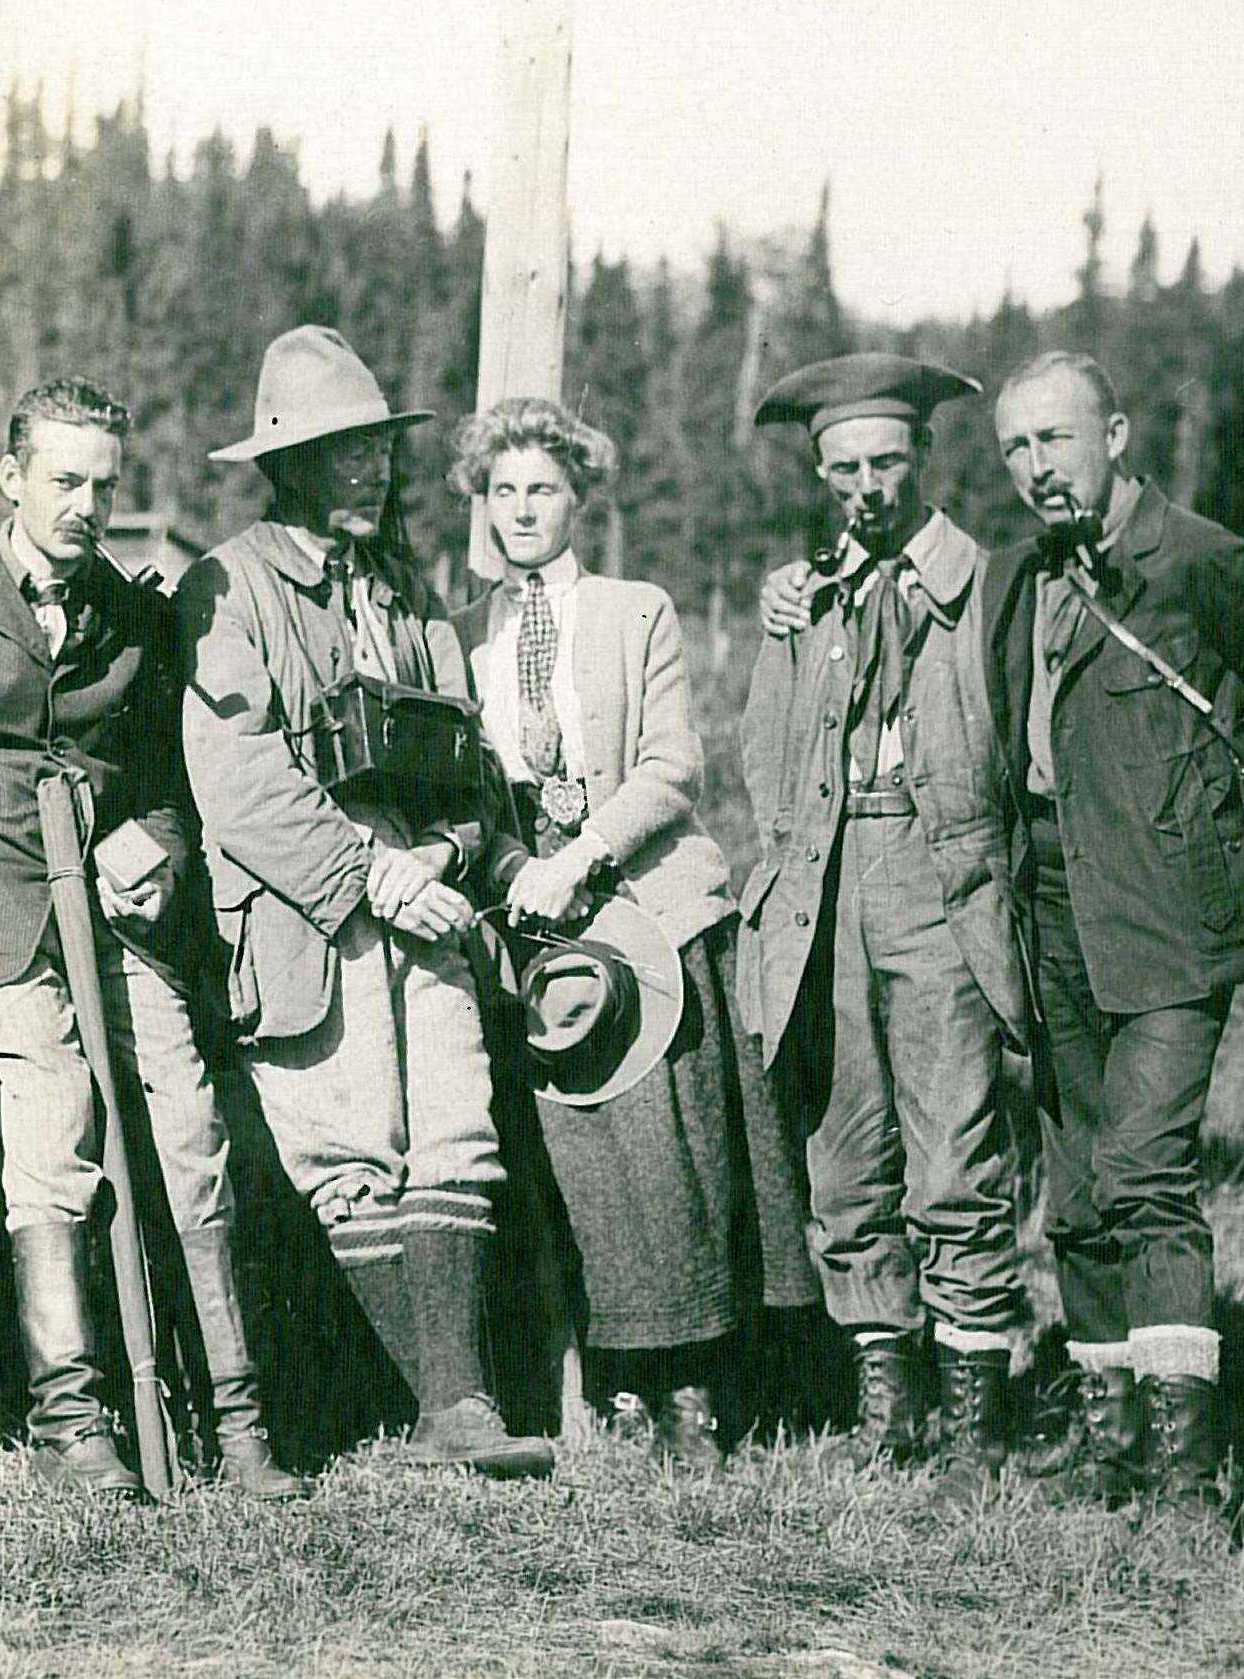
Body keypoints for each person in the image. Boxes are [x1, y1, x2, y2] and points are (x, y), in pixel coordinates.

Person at [0, 378, 300, 1500]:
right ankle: (72, 1422)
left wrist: (157, 845)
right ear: (10, 480)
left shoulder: (132, 618)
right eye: (64, 480)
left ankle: (235, 1422)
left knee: (188, 1127)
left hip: (117, 916)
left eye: (103, 484)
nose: (85, 504)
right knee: (54, 1127)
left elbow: (169, 788)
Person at [976, 351, 1244, 1505]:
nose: (1034, 466)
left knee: (1143, 1171)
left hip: (1167, 914)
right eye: (1013, 447)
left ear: (1111, 435)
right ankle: (1107, 1441)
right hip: (1048, 907)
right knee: (1073, 1184)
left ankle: (1186, 1471)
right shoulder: (1020, 577)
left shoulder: (1196, 560)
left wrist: (1233, 811)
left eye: (1053, 439)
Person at [179, 326, 551, 1479]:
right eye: (342, 453)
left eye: (377, 450)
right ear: (283, 465)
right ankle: (403, 1409)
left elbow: (469, 758)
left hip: (422, 903)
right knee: (344, 1151)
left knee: (453, 1129)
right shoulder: (226, 586)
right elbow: (233, 774)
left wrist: (440, 850)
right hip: (304, 911)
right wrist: (366, 873)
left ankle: (457, 1410)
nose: (369, 472)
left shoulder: (407, 590)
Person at [452, 396, 820, 1470]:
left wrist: (584, 857)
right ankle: (613, 1383)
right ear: (482, 501)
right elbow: (467, 789)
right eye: (503, 490)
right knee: (580, 1163)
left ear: (579, 499)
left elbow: (672, 765)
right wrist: (522, 871)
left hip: (642, 894)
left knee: (675, 1152)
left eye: (544, 490)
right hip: (532, 923)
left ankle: (698, 1385)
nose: (523, 510)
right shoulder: (455, 629)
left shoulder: (632, 610)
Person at [738, 355, 1032, 1484]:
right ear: (819, 476)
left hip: (933, 880)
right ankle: (887, 1407)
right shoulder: (801, 595)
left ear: (922, 462)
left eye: (884, 463)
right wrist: (785, 627)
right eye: (842, 467)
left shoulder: (978, 583)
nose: (865, 485)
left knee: (953, 1144)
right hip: (823, 881)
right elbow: (763, 759)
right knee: (841, 1148)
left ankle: (971, 1423)